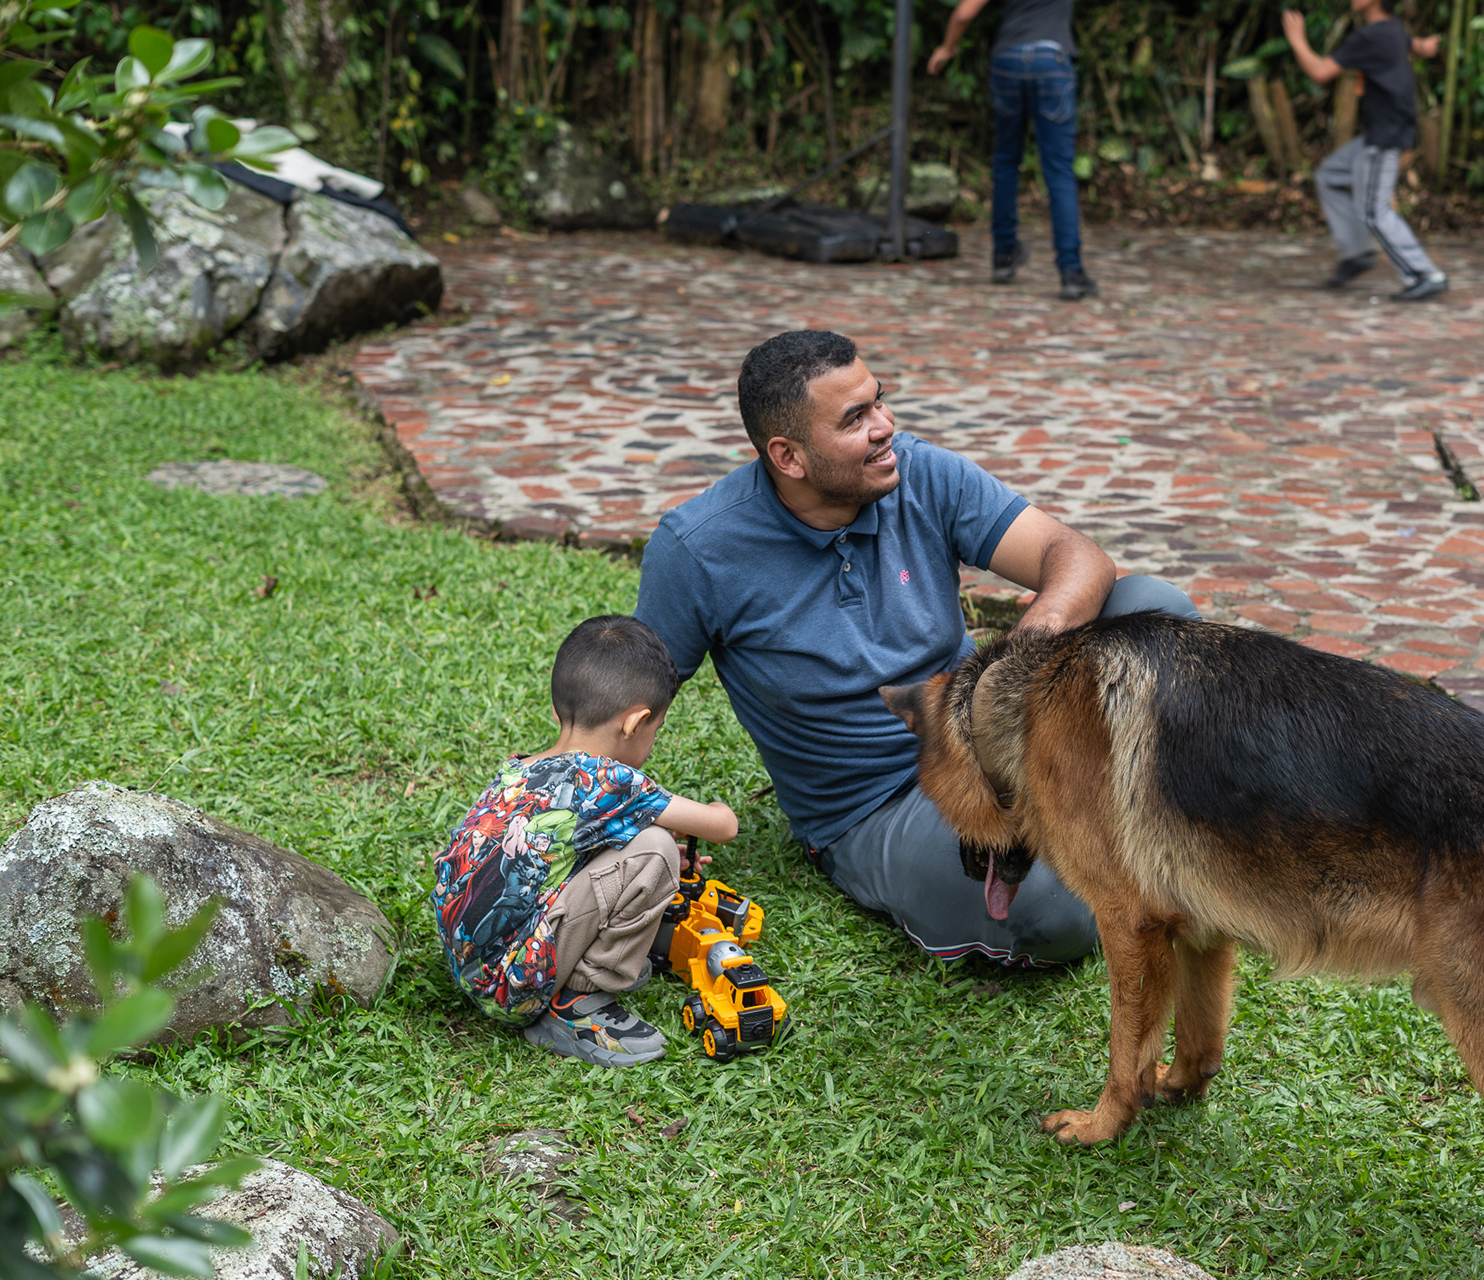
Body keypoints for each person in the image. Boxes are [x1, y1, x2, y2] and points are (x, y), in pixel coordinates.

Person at [634, 329, 1199, 967]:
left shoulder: (919, 472)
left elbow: (1075, 556)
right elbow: (625, 706)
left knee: (1155, 610)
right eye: (855, 419)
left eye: (879, 400)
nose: (885, 426)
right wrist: (622, 823)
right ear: (788, 457)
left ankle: (1116, 819)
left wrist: (1012, 668)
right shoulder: (698, 550)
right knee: (1051, 911)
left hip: (989, 739)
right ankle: (1136, 826)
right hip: (881, 805)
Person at [431, 615, 739, 1067]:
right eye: (655, 731)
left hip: (469, 967)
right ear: (635, 723)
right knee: (657, 849)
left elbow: (549, 857)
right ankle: (576, 1002)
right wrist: (705, 815)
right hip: (512, 989)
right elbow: (723, 825)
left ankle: (563, 975)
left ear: (559, 710)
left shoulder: (519, 770)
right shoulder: (610, 780)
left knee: (642, 843)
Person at [927, 0, 1098, 302]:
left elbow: (965, 13)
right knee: (1059, 169)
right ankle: (1071, 272)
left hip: (1008, 59)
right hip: (1051, 59)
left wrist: (947, 47)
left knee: (1006, 161)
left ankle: (1003, 258)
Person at [1282, 0, 1448, 301]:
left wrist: (1297, 41)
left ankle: (1425, 274)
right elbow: (1411, 44)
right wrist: (1425, 47)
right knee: (1330, 176)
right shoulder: (1392, 29)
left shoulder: (1370, 36)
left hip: (1386, 136)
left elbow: (1321, 72)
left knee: (1374, 211)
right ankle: (1357, 253)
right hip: (1385, 130)